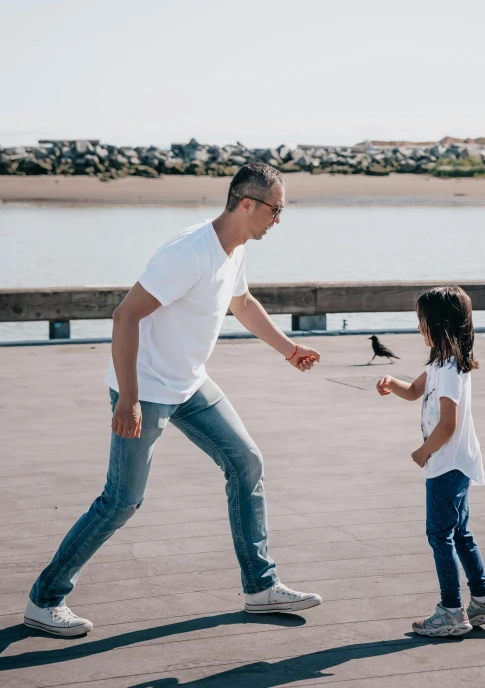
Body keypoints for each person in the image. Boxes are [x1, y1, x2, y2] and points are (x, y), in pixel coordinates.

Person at [25, 163, 323, 637]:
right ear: (247, 204)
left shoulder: (235, 250)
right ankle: (46, 598)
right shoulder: (189, 252)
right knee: (122, 501)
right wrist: (128, 398)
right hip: (143, 388)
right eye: (275, 210)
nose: (278, 220)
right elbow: (125, 317)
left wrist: (289, 350)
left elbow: (241, 303)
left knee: (246, 461)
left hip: (189, 383)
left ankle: (260, 585)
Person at [376, 286, 485, 637]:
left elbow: (448, 424)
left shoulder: (449, 370)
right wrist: (393, 383)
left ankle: (452, 611)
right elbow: (415, 391)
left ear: (438, 323)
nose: (419, 327)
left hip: (447, 464)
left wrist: (423, 452)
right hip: (455, 463)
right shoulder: (441, 362)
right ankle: (482, 600)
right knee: (459, 532)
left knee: (439, 535)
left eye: (422, 321)